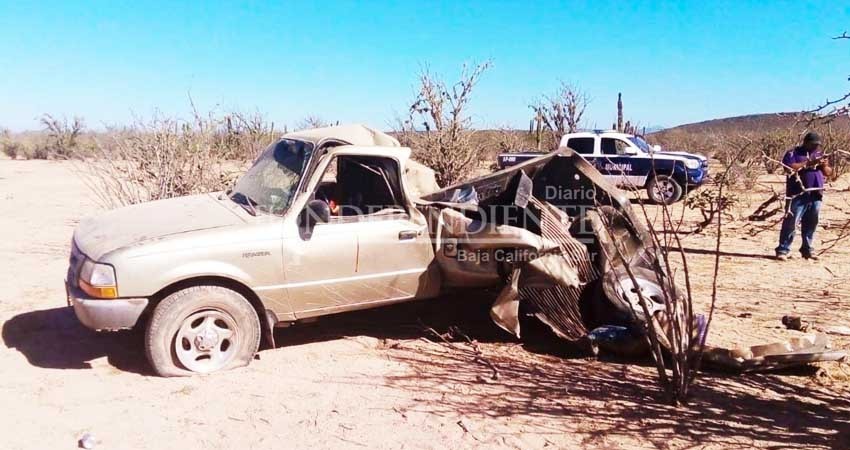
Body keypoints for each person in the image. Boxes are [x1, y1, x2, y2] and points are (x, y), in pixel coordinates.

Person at [775, 132, 833, 260]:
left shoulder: (819, 154)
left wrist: (823, 165)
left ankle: (807, 249)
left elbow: (828, 172)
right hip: (797, 193)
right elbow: (789, 168)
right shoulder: (793, 153)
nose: (816, 147)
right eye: (813, 144)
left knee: (811, 222)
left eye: (818, 145)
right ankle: (783, 249)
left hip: (816, 193)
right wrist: (809, 163)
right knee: (791, 221)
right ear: (806, 142)